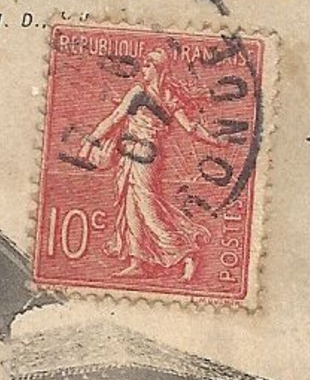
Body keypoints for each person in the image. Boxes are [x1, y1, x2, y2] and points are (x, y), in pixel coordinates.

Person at [80, 48, 230, 280]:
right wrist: (91, 140)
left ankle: (186, 254)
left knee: (148, 208)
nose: (144, 69)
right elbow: (116, 117)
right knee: (131, 206)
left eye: (148, 65)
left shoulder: (166, 96)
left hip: (147, 155)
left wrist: (216, 142)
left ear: (158, 69)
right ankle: (138, 261)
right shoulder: (138, 92)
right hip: (129, 153)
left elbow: (190, 127)